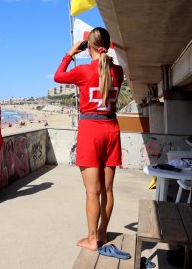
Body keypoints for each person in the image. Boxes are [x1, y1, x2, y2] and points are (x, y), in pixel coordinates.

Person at [54, 27, 124, 251]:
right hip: (112, 128)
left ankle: (92, 239)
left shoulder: (84, 71)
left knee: (92, 191)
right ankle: (102, 233)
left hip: (91, 130)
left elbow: (58, 76)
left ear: (89, 47)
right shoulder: (118, 71)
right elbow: (107, 68)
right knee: (108, 190)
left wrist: (71, 53)